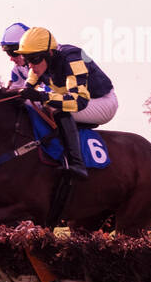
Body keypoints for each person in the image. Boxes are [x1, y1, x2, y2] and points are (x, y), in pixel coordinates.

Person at [15, 26, 118, 178]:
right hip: (78, 101)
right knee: (35, 105)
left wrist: (43, 97)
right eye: (27, 59)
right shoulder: (37, 66)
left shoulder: (73, 57)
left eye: (34, 59)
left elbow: (78, 102)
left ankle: (77, 164)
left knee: (53, 106)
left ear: (50, 53)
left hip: (102, 102)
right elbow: (25, 92)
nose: (30, 66)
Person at [0, 22, 31, 89]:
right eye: (8, 53)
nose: (11, 59)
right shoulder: (18, 70)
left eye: (13, 53)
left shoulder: (52, 62)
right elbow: (16, 90)